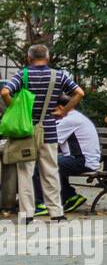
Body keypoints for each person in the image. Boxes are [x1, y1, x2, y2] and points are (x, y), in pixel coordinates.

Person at [1, 45, 84, 223]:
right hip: (49, 131)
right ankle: (57, 213)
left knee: (25, 173)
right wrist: (64, 111)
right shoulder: (59, 75)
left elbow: (5, 92)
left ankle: (26, 215)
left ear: (29, 58)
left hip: (26, 131)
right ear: (48, 57)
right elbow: (79, 93)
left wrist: (14, 107)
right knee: (51, 172)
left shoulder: (23, 75)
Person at [33, 96, 97, 216]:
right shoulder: (73, 116)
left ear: (61, 107)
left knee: (41, 165)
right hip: (81, 159)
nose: (52, 113)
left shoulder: (69, 120)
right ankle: (71, 197)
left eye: (52, 110)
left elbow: (47, 140)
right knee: (51, 162)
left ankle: (42, 204)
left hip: (82, 161)